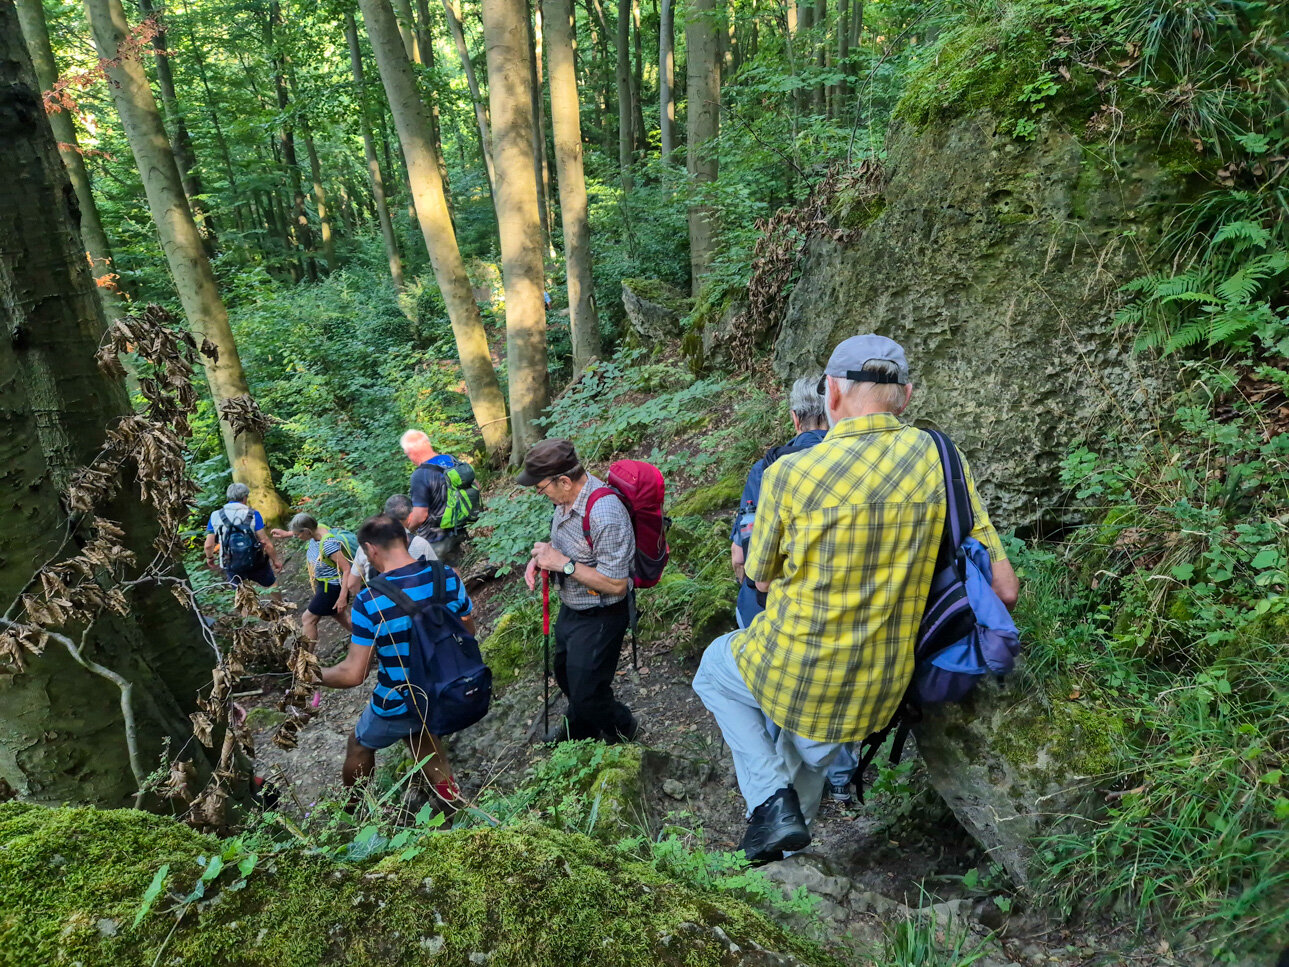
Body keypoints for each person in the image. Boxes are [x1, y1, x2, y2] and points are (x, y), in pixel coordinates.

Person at [692, 334, 1019, 864]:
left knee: (713, 668)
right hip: (882, 689)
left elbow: (759, 577)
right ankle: (782, 839)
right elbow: (1004, 589)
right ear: (906, 396)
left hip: (795, 671)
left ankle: (771, 805)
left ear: (832, 397)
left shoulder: (789, 473)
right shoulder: (942, 457)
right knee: (807, 754)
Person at [730, 377, 860, 804]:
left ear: (793, 416)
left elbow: (742, 556)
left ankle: (775, 787)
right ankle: (841, 780)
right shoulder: (856, 461)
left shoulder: (769, 467)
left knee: (767, 693)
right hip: (844, 606)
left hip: (774, 607)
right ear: (836, 408)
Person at [319, 514, 472, 814]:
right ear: (405, 539)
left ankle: (355, 812)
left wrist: (313, 675)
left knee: (359, 745)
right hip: (449, 688)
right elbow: (469, 631)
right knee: (425, 741)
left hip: (402, 696)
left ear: (370, 550)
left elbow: (354, 674)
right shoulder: (447, 576)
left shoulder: (370, 600)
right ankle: (454, 806)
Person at [520, 438, 638, 744]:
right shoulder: (564, 501)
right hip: (573, 606)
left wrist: (563, 564)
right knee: (564, 673)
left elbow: (616, 584)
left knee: (586, 690)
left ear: (563, 480)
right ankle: (583, 727)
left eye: (541, 487)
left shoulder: (605, 513)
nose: (539, 493)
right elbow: (565, 549)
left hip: (602, 613)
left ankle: (622, 729)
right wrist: (541, 559)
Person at [270, 513, 354, 645]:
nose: (297, 536)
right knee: (340, 616)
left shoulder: (328, 545)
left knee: (308, 619)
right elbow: (303, 528)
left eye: (298, 534)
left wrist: (342, 597)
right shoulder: (317, 527)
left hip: (332, 588)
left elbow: (347, 569)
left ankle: (307, 661)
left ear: (307, 532)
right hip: (324, 585)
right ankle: (368, 639)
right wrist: (286, 533)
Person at [342, 494, 438, 600]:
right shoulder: (421, 544)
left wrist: (368, 601)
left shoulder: (366, 546)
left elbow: (351, 584)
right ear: (410, 517)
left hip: (380, 605)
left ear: (384, 515)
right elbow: (436, 576)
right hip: (419, 603)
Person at [401, 430, 467, 564]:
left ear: (411, 452)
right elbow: (474, 484)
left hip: (436, 536)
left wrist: (407, 531)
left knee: (439, 576)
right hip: (459, 525)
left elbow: (420, 515)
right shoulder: (450, 459)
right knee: (452, 569)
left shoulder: (420, 475)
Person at [203, 482, 282, 587]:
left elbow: (208, 545)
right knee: (271, 584)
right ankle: (278, 603)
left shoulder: (215, 515)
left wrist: (210, 558)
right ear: (245, 497)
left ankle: (248, 603)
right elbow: (265, 542)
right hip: (256, 561)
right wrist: (275, 560)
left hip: (231, 563)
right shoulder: (253, 514)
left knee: (240, 592)